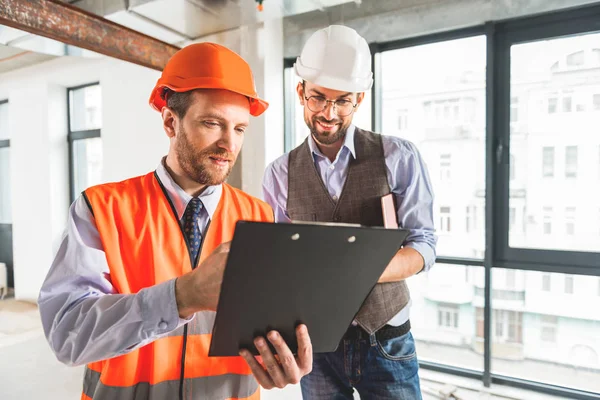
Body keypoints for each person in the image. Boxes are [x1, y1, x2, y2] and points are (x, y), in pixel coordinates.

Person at [38, 42, 313, 400]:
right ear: (170, 121)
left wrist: (284, 356)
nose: (228, 144)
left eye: (240, 129)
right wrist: (182, 297)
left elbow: (271, 325)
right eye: (212, 123)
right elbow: (67, 334)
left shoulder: (260, 217)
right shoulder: (102, 209)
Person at [262, 25, 437, 399]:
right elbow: (278, 262)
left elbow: (425, 244)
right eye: (318, 98)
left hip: (388, 340)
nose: (329, 113)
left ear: (358, 99)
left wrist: (363, 268)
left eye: (342, 100)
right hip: (318, 345)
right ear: (300, 92)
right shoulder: (279, 174)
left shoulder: (398, 157)